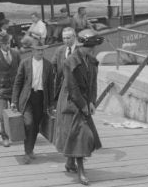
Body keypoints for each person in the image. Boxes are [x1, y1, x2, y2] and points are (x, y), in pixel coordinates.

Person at [54, 29, 104, 185]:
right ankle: (81, 171)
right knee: (81, 136)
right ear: (81, 46)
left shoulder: (92, 61)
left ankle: (70, 163)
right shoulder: (70, 62)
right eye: (89, 47)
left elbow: (93, 84)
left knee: (75, 135)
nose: (92, 50)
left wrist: (91, 102)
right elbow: (73, 87)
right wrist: (83, 105)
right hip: (71, 103)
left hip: (83, 102)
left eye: (93, 47)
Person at [12, 41, 54, 164]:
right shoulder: (25, 63)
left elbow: (51, 86)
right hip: (27, 98)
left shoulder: (48, 65)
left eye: (42, 50)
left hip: (41, 98)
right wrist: (14, 101)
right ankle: (26, 152)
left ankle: (30, 150)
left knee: (35, 126)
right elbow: (18, 83)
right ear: (32, 51)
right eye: (38, 50)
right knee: (29, 123)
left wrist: (51, 104)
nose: (40, 52)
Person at [51, 27, 76, 101]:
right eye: (64, 38)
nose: (66, 40)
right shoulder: (59, 50)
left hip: (76, 89)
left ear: (74, 37)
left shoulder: (80, 50)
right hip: (61, 87)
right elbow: (53, 66)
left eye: (68, 38)